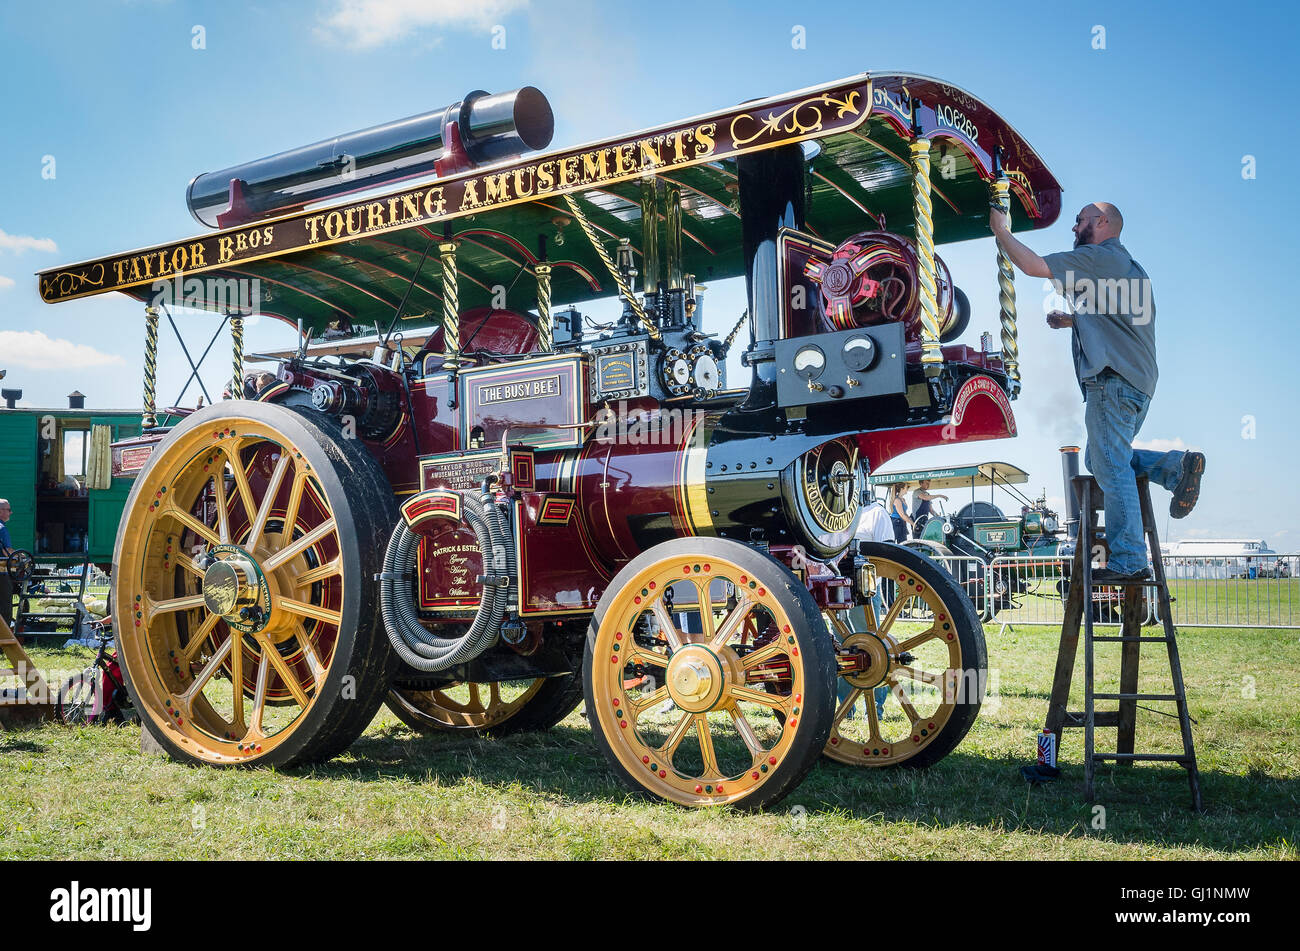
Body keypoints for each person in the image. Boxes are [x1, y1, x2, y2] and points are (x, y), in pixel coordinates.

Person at [990, 201, 1205, 582]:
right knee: (1099, 457)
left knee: (1110, 466)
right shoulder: (1132, 270)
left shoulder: (1099, 257)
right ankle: (1174, 467)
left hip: (1112, 381)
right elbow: (1122, 322)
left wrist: (1002, 231)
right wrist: (1074, 320)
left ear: (1103, 223)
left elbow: (1033, 266)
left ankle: (1129, 560)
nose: (1074, 228)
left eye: (1080, 221)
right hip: (1139, 385)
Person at [839, 494, 894, 720]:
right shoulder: (837, 516)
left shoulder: (876, 513)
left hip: (865, 593)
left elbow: (888, 557)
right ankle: (846, 709)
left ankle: (874, 709)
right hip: (837, 592)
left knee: (873, 647)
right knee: (840, 649)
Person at [0, 498, 14, 627]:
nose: (10, 513)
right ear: (1, 511)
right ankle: (4, 637)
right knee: (4, 605)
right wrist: (20, 558)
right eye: (8, 510)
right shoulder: (2, 529)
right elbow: (7, 552)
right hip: (1, 572)